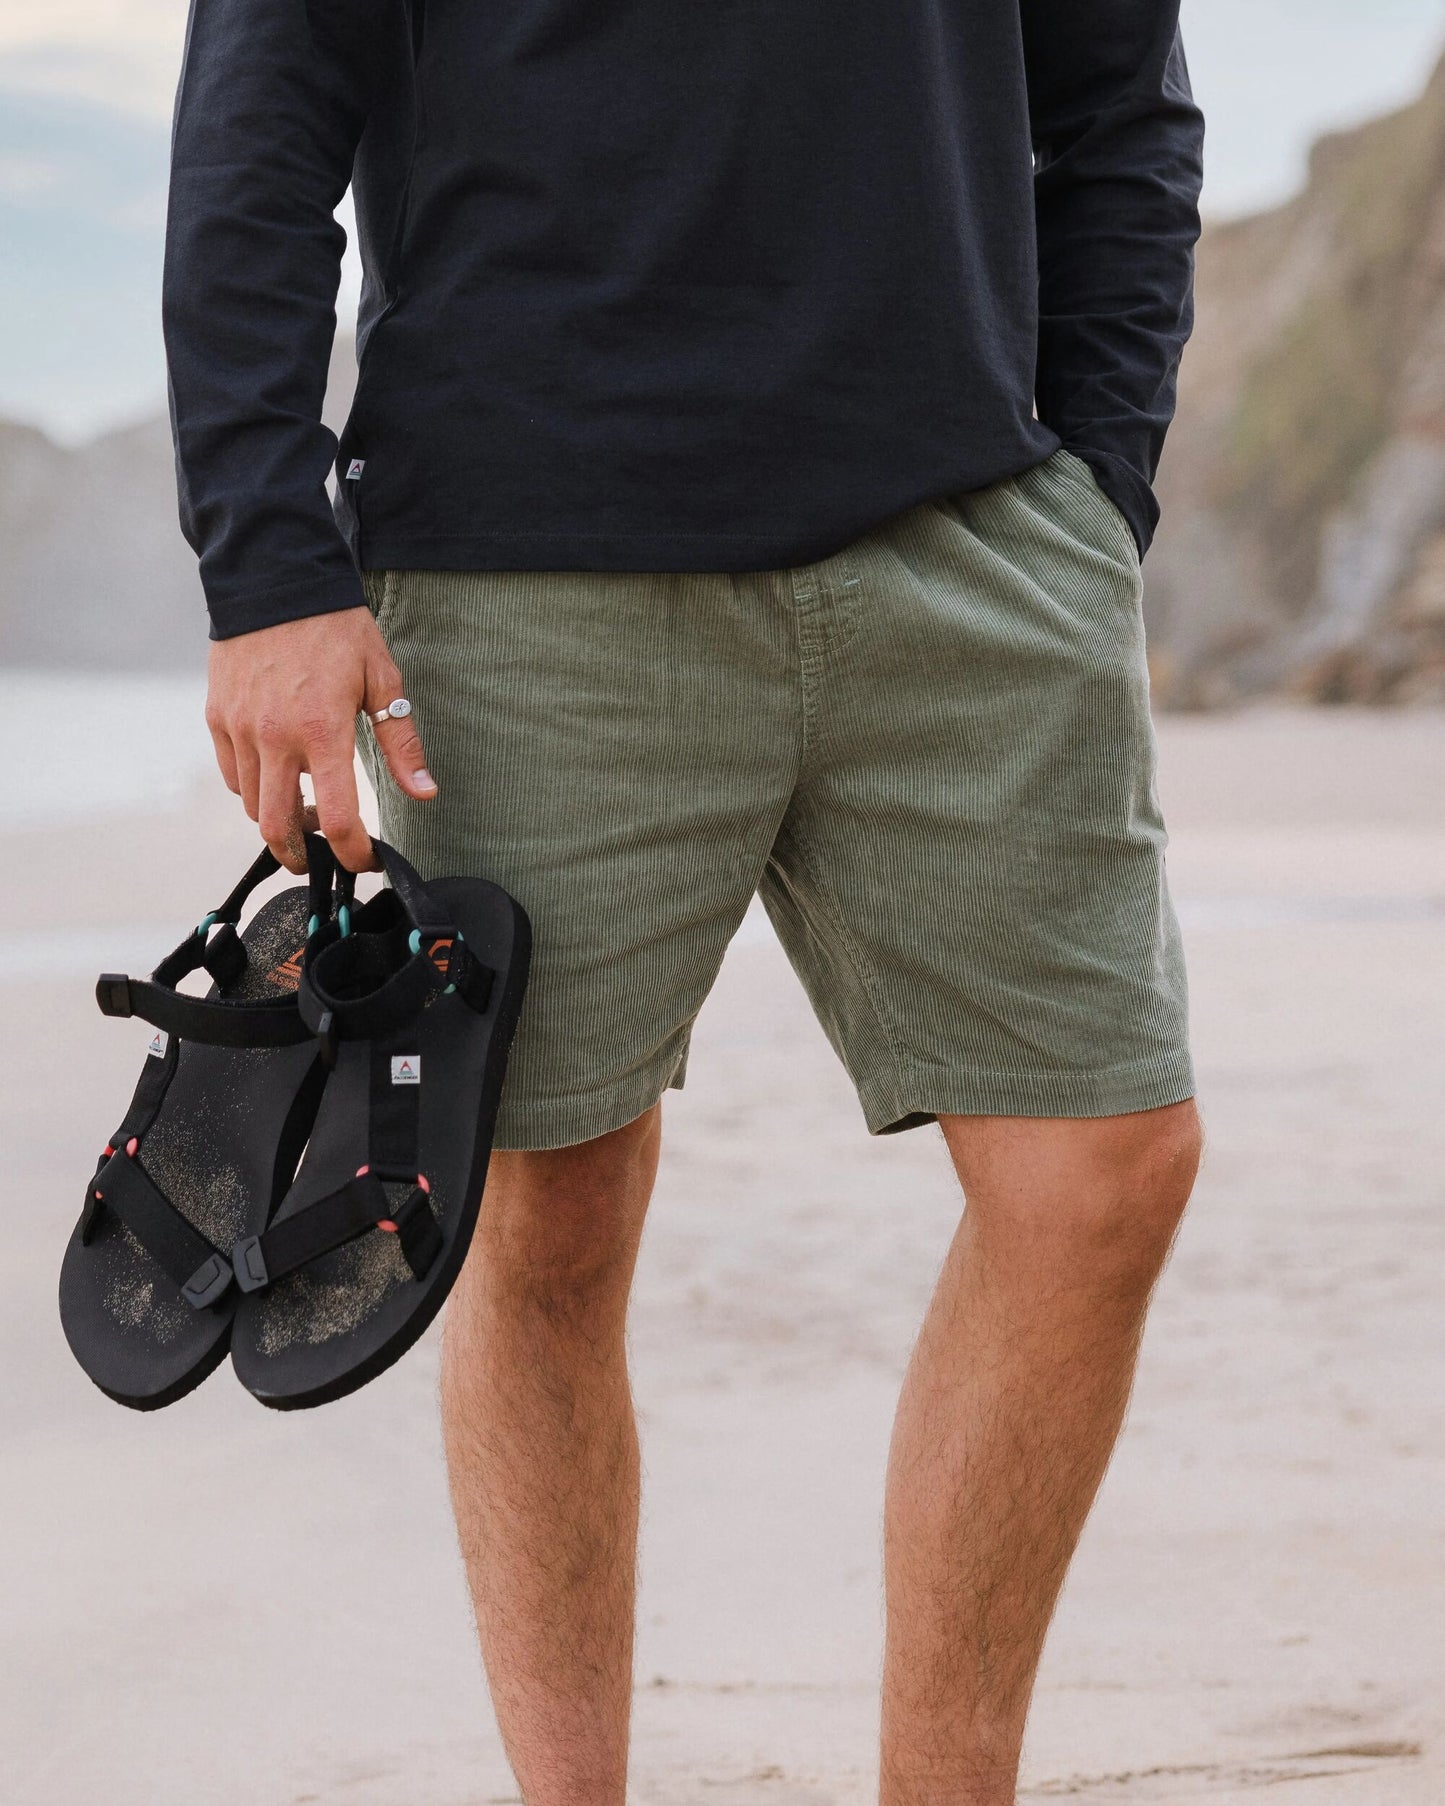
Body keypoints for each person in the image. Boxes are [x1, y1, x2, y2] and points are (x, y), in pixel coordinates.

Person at [164, 1, 1205, 1798]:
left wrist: (1095, 496)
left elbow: (1119, 101)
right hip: (525, 560)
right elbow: (266, 101)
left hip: (966, 538)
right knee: (547, 1210)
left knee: (1100, 1172)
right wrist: (265, 562)